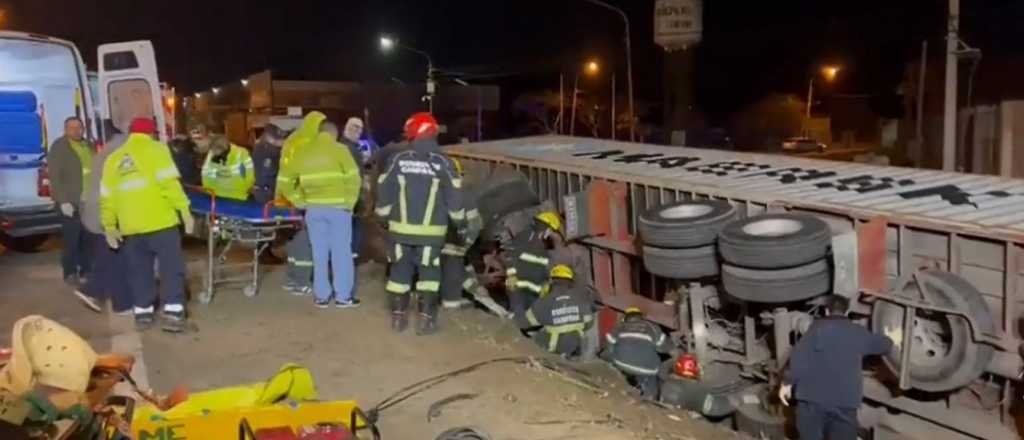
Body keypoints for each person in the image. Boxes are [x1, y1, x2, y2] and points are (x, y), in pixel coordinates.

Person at [99, 118, 194, 332]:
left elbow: (107, 197)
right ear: (151, 133)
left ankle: (143, 312)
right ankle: (173, 311)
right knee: (171, 268)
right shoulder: (157, 150)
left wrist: (109, 225)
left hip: (131, 227)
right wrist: (185, 211)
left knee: (139, 270)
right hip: (161, 223)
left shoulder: (113, 159)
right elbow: (170, 185)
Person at [375, 112, 466, 335]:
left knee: (399, 273)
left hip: (400, 231)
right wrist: (460, 223)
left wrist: (382, 217)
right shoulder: (444, 162)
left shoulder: (397, 160)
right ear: (433, 133)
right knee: (429, 275)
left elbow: (384, 191)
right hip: (431, 234)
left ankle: (398, 319)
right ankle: (426, 322)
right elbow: (454, 197)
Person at [779, 295, 896, 440]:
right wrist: (892, 337)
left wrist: (786, 384)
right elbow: (884, 345)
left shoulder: (814, 330)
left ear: (826, 311)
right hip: (844, 402)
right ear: (846, 312)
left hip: (812, 399)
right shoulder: (857, 332)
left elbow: (798, 358)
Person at [277, 121, 361, 308]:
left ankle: (321, 296)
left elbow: (284, 180)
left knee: (319, 252)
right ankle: (343, 297)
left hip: (314, 209)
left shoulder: (303, 152)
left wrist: (300, 201)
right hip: (339, 209)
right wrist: (350, 203)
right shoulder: (340, 150)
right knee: (341, 253)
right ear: (334, 134)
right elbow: (354, 178)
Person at [73, 128, 132, 315]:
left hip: (94, 211)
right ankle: (113, 300)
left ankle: (98, 293)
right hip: (105, 212)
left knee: (110, 255)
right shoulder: (123, 152)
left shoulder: (108, 149)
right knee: (117, 256)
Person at [277, 112, 326, 296]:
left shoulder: (292, 140)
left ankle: (293, 278)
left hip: (286, 197)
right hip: (303, 198)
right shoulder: (309, 144)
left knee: (294, 240)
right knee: (305, 241)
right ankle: (302, 282)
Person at [48, 117, 96, 286]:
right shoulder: (59, 147)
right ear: (65, 130)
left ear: (83, 129)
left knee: (88, 239)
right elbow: (54, 176)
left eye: (79, 127)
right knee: (72, 239)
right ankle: (70, 272)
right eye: (72, 128)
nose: (76, 131)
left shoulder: (88, 145)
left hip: (87, 201)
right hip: (70, 201)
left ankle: (86, 270)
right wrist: (63, 201)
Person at [516, 265, 593, 358]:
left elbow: (524, 323)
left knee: (532, 337)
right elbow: (589, 324)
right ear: (571, 282)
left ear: (551, 282)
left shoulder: (544, 302)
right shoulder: (581, 300)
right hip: (576, 347)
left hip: (554, 349)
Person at [440, 158, 485, 309]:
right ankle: (451, 304)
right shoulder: (464, 194)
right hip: (455, 243)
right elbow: (475, 223)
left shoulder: (430, 192)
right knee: (453, 270)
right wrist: (467, 243)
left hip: (431, 243)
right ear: (459, 175)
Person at [504, 211, 563, 321]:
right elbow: (511, 254)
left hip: (534, 290)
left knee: (531, 318)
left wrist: (547, 281)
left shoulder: (544, 244)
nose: (550, 233)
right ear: (546, 227)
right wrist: (511, 275)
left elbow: (543, 266)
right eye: (551, 230)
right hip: (519, 287)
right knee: (518, 316)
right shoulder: (527, 235)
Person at [604, 307, 671, 399]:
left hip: (621, 365)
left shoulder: (619, 326)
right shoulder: (652, 327)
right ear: (641, 317)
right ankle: (650, 398)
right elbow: (664, 348)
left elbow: (609, 347)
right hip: (647, 370)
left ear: (626, 318)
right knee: (653, 385)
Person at [201, 135, 255, 200]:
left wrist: (246, 189)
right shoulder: (212, 153)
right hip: (218, 195)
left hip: (238, 196)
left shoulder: (242, 153)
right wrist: (209, 191)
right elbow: (206, 174)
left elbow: (250, 175)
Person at [251, 122, 288, 204]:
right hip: (266, 193)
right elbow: (270, 172)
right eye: (281, 140)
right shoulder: (263, 151)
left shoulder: (267, 148)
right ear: (271, 139)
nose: (284, 142)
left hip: (269, 190)